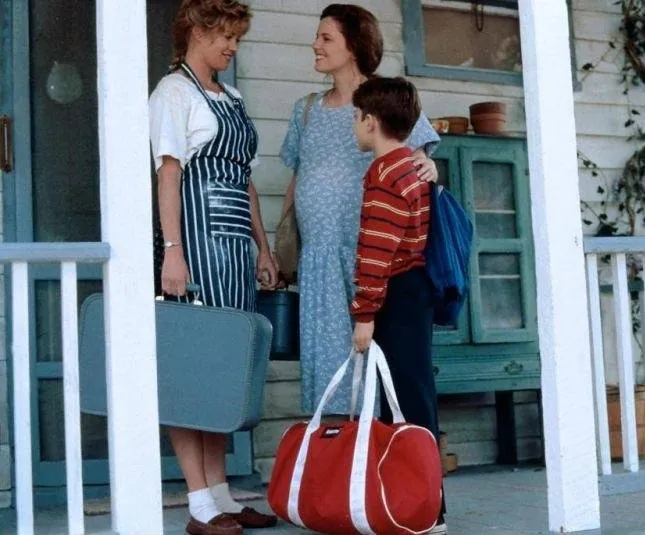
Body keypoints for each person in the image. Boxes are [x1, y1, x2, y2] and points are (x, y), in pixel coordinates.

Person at [148, 1, 277, 533]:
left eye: (238, 38)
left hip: (235, 251)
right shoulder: (173, 93)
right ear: (198, 33)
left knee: (224, 371)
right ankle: (199, 504)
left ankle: (222, 494)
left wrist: (263, 248)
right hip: (195, 246)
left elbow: (245, 183)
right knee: (190, 370)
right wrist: (172, 250)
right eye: (226, 36)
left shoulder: (233, 98)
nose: (232, 47)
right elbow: (169, 175)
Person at [279, 3, 440, 416]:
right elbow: (298, 178)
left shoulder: (384, 99)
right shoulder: (306, 109)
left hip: (373, 259)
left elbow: (418, 161)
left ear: (353, 45)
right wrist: (279, 247)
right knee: (330, 374)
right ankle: (339, 448)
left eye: (326, 37)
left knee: (384, 371)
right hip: (320, 261)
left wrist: (430, 163)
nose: (315, 44)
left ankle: (384, 448)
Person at [350, 76, 446, 535]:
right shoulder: (412, 167)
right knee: (412, 398)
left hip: (397, 295)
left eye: (357, 117)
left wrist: (364, 315)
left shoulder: (385, 175)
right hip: (416, 293)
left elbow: (376, 252)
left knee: (404, 403)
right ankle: (415, 505)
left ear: (372, 122)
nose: (354, 124)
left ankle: (424, 512)